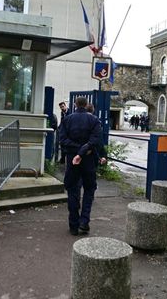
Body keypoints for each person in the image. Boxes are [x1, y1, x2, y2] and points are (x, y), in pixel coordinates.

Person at [59, 96, 102, 236]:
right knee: (89, 189)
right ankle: (84, 221)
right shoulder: (94, 120)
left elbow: (63, 140)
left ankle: (73, 224)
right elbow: (95, 140)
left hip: (72, 159)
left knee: (72, 189)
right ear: (86, 104)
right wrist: (84, 150)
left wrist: (77, 151)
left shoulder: (67, 120)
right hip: (88, 159)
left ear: (75, 104)